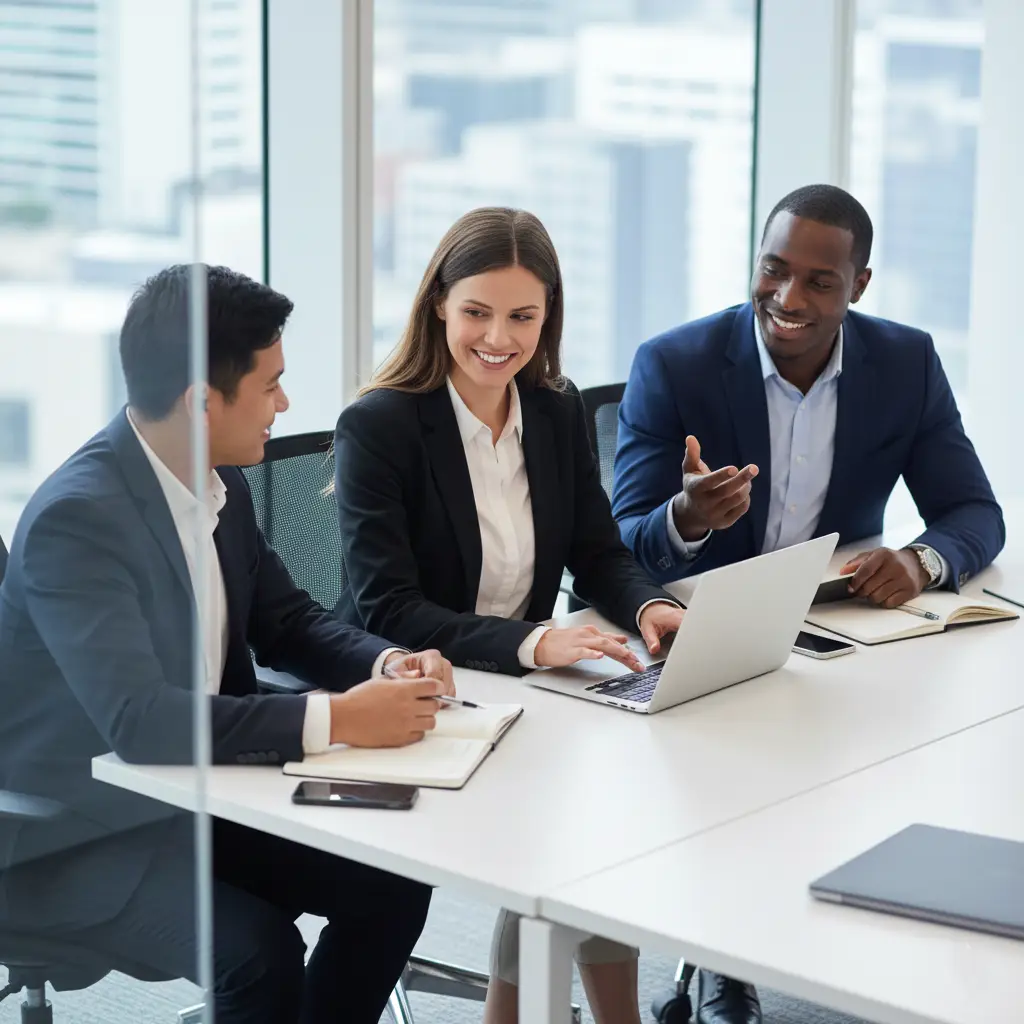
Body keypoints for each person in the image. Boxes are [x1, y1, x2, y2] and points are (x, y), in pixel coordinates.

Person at [0, 265, 457, 1024]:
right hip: (78, 833)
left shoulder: (217, 480)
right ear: (202, 403)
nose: (284, 403)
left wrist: (382, 663)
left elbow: (287, 621)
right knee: (259, 951)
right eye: (270, 384)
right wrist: (341, 720)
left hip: (196, 794)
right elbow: (140, 723)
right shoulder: (75, 523)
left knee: (392, 883)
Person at [612, 184, 1004, 1023]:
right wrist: (686, 516)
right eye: (774, 269)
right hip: (699, 628)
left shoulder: (904, 363)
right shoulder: (674, 362)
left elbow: (976, 512)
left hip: (834, 629)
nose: (789, 298)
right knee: (734, 775)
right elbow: (623, 543)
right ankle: (724, 962)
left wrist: (924, 558)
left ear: (858, 286)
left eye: (819, 282)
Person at [333, 207, 685, 1024]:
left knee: (600, 833)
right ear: (438, 309)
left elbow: (598, 551)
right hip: (412, 692)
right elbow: (390, 607)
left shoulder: (555, 412)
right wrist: (535, 640)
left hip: (524, 692)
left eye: (523, 316)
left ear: (548, 316)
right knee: (573, 840)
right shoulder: (381, 426)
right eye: (477, 313)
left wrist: (653, 605)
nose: (500, 337)